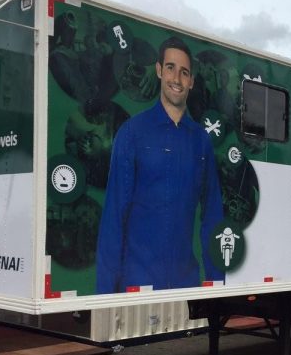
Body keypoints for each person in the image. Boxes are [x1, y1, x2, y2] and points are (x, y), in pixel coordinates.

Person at [96, 36, 224, 293]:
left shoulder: (201, 142)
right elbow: (113, 217)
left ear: (191, 82)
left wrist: (215, 284)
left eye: (184, 72)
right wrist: (105, 295)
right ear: (158, 70)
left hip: (185, 286)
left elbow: (213, 218)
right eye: (170, 68)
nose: (176, 78)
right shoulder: (132, 133)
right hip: (137, 286)